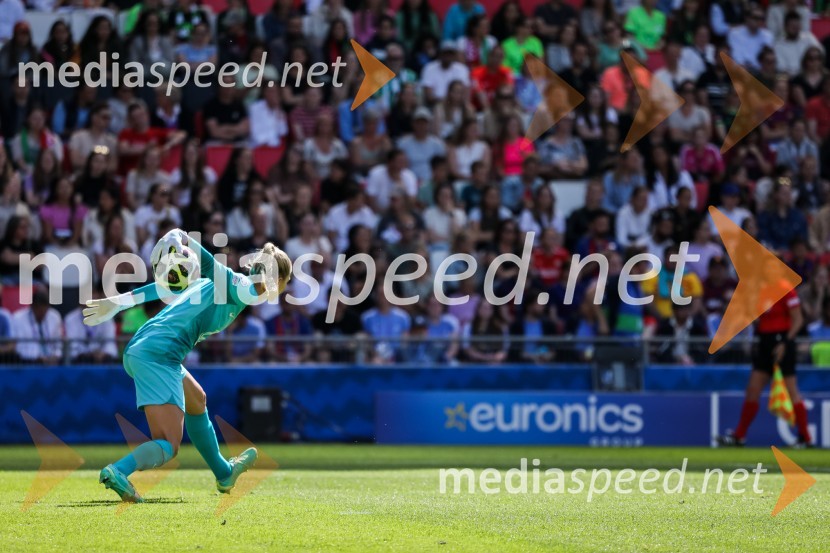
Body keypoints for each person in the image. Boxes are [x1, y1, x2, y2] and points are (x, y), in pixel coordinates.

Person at [83, 230, 293, 502]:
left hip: (147, 348)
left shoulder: (217, 285)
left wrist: (118, 302)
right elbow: (214, 267)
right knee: (169, 445)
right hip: (159, 355)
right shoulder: (238, 286)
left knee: (197, 400)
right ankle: (119, 471)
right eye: (282, 282)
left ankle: (224, 472)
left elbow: (165, 287)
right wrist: (186, 239)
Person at [718, 267, 811, 447]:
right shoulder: (759, 289)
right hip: (764, 342)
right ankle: (739, 436)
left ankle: (805, 438)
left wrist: (785, 343)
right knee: (753, 389)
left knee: (792, 391)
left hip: (781, 341)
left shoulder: (785, 288)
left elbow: (798, 320)